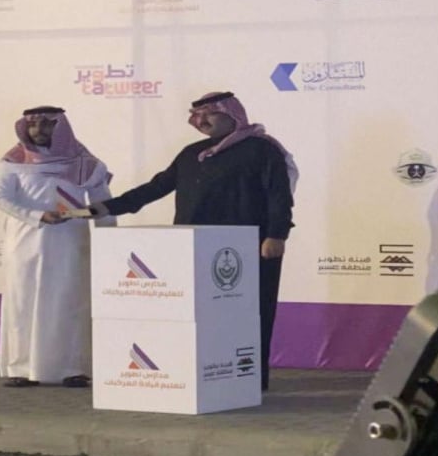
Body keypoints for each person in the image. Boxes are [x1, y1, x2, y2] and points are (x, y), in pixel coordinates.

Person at [88, 91, 298, 391]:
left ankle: (250, 377)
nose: (201, 121)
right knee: (201, 315)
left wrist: (276, 234)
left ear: (232, 114)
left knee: (251, 312)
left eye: (208, 113)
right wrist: (108, 207)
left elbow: (279, 195)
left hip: (250, 249)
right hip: (194, 250)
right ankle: (206, 374)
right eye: (196, 115)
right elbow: (157, 187)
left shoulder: (262, 149)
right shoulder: (191, 153)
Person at [0, 105, 115, 388]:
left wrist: (110, 240)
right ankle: (21, 368)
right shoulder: (12, 161)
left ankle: (72, 368)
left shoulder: (87, 163)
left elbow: (104, 204)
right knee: (23, 301)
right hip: (25, 241)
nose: (38, 130)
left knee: (69, 300)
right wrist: (37, 216)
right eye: (33, 125)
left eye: (47, 124)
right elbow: (1, 198)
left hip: (70, 240)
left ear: (61, 127)